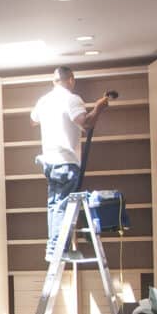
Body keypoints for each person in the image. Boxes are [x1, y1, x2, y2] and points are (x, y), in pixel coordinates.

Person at [31, 66, 110, 262]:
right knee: (62, 206)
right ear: (71, 80)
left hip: (49, 162)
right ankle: (57, 249)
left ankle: (54, 247)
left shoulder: (44, 100)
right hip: (66, 161)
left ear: (53, 81)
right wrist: (99, 107)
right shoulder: (71, 99)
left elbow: (33, 120)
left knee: (54, 205)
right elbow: (86, 123)